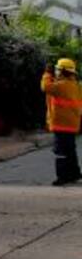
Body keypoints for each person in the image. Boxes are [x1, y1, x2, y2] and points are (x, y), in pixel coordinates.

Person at [41, 58, 82, 186]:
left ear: (63, 71)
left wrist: (47, 73)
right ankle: (74, 174)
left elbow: (45, 87)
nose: (56, 72)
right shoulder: (76, 86)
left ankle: (62, 177)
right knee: (70, 150)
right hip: (72, 124)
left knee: (60, 152)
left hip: (61, 125)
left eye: (58, 70)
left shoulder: (60, 86)